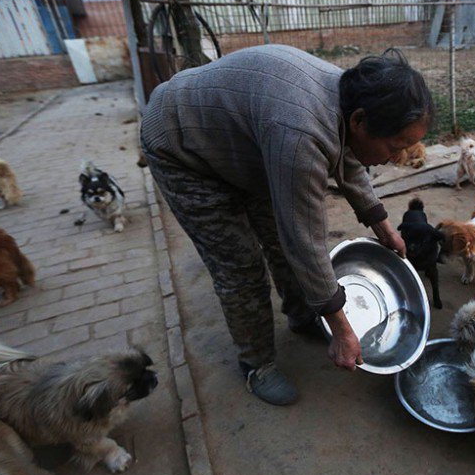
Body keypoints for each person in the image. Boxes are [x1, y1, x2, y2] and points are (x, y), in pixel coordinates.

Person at [140, 44, 433, 406]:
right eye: (395, 145)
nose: (399, 156)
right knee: (241, 267)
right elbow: (305, 240)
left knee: (280, 241)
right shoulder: (301, 134)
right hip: (182, 145)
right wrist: (342, 329)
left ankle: (303, 315)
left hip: (246, 145)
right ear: (360, 121)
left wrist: (382, 225)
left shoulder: (350, 98)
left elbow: (349, 156)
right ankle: (256, 363)